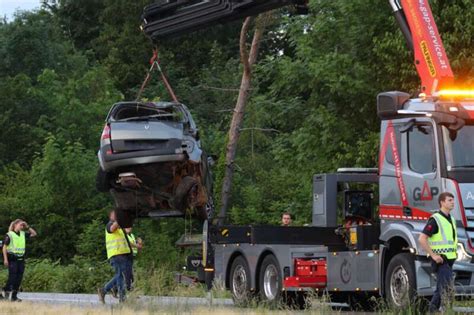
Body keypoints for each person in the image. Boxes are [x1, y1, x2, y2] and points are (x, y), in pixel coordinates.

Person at [418, 192, 457, 313]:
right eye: (449, 200)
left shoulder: (451, 219)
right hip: (441, 260)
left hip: (450, 260)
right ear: (442, 202)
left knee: (442, 288)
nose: (452, 202)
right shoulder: (435, 219)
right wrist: (434, 255)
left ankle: (436, 311)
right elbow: (422, 239)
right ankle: (434, 310)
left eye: (453, 200)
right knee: (445, 288)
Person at [98, 210, 132, 303]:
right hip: (116, 255)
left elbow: (128, 230)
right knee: (121, 276)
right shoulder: (109, 224)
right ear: (110, 216)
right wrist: (120, 219)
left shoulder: (120, 227)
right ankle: (122, 299)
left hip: (124, 255)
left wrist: (128, 218)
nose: (117, 215)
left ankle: (105, 290)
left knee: (122, 275)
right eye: (115, 214)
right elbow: (112, 228)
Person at [2, 219, 37, 301]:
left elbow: (34, 234)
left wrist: (27, 227)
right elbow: (4, 247)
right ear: (15, 225)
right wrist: (5, 259)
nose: (22, 226)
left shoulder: (22, 234)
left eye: (22, 225)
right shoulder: (9, 235)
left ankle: (14, 296)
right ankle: (5, 292)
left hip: (21, 260)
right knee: (12, 277)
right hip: (12, 259)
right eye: (20, 225)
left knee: (19, 278)